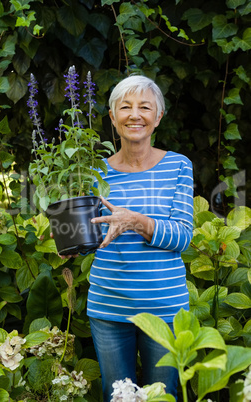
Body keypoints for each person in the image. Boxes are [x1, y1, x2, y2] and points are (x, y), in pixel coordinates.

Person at [77, 75, 193, 401]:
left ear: (158, 117)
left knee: (162, 396)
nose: (135, 115)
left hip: (164, 310)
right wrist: (74, 243)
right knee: (117, 397)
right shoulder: (96, 171)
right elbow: (95, 231)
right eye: (125, 107)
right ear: (113, 118)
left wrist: (137, 221)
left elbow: (183, 236)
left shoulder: (178, 167)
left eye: (144, 107)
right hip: (109, 309)